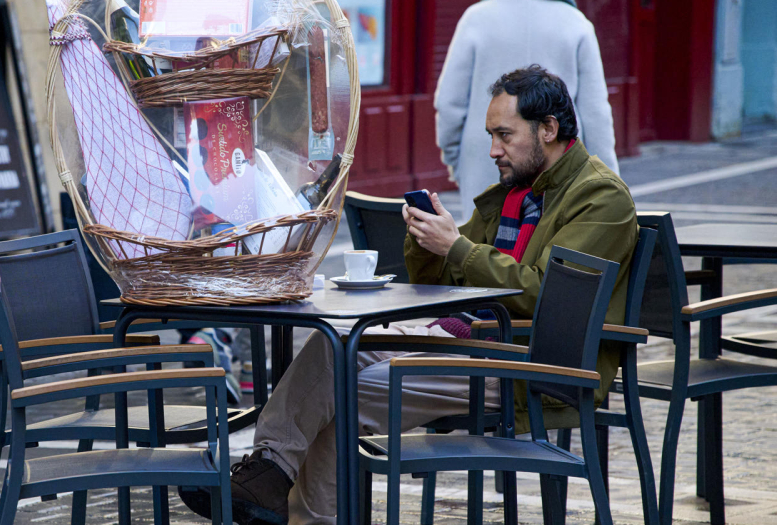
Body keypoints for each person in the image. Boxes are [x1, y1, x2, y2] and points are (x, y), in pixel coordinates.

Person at [181, 66, 638, 524]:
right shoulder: (515, 191)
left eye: (504, 134)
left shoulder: (600, 197)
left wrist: (457, 246)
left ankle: (280, 498)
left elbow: (549, 300)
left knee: (347, 391)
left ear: (549, 129)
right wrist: (426, 241)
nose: (494, 150)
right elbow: (443, 285)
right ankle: (267, 472)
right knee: (333, 347)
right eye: (490, 135)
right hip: (469, 337)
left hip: (533, 364)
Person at [435, 0, 619, 223]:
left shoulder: (476, 18)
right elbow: (595, 113)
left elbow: (449, 103)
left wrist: (456, 161)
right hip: (554, 158)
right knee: (552, 244)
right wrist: (607, 177)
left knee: (480, 242)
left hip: (485, 157)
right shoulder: (576, 23)